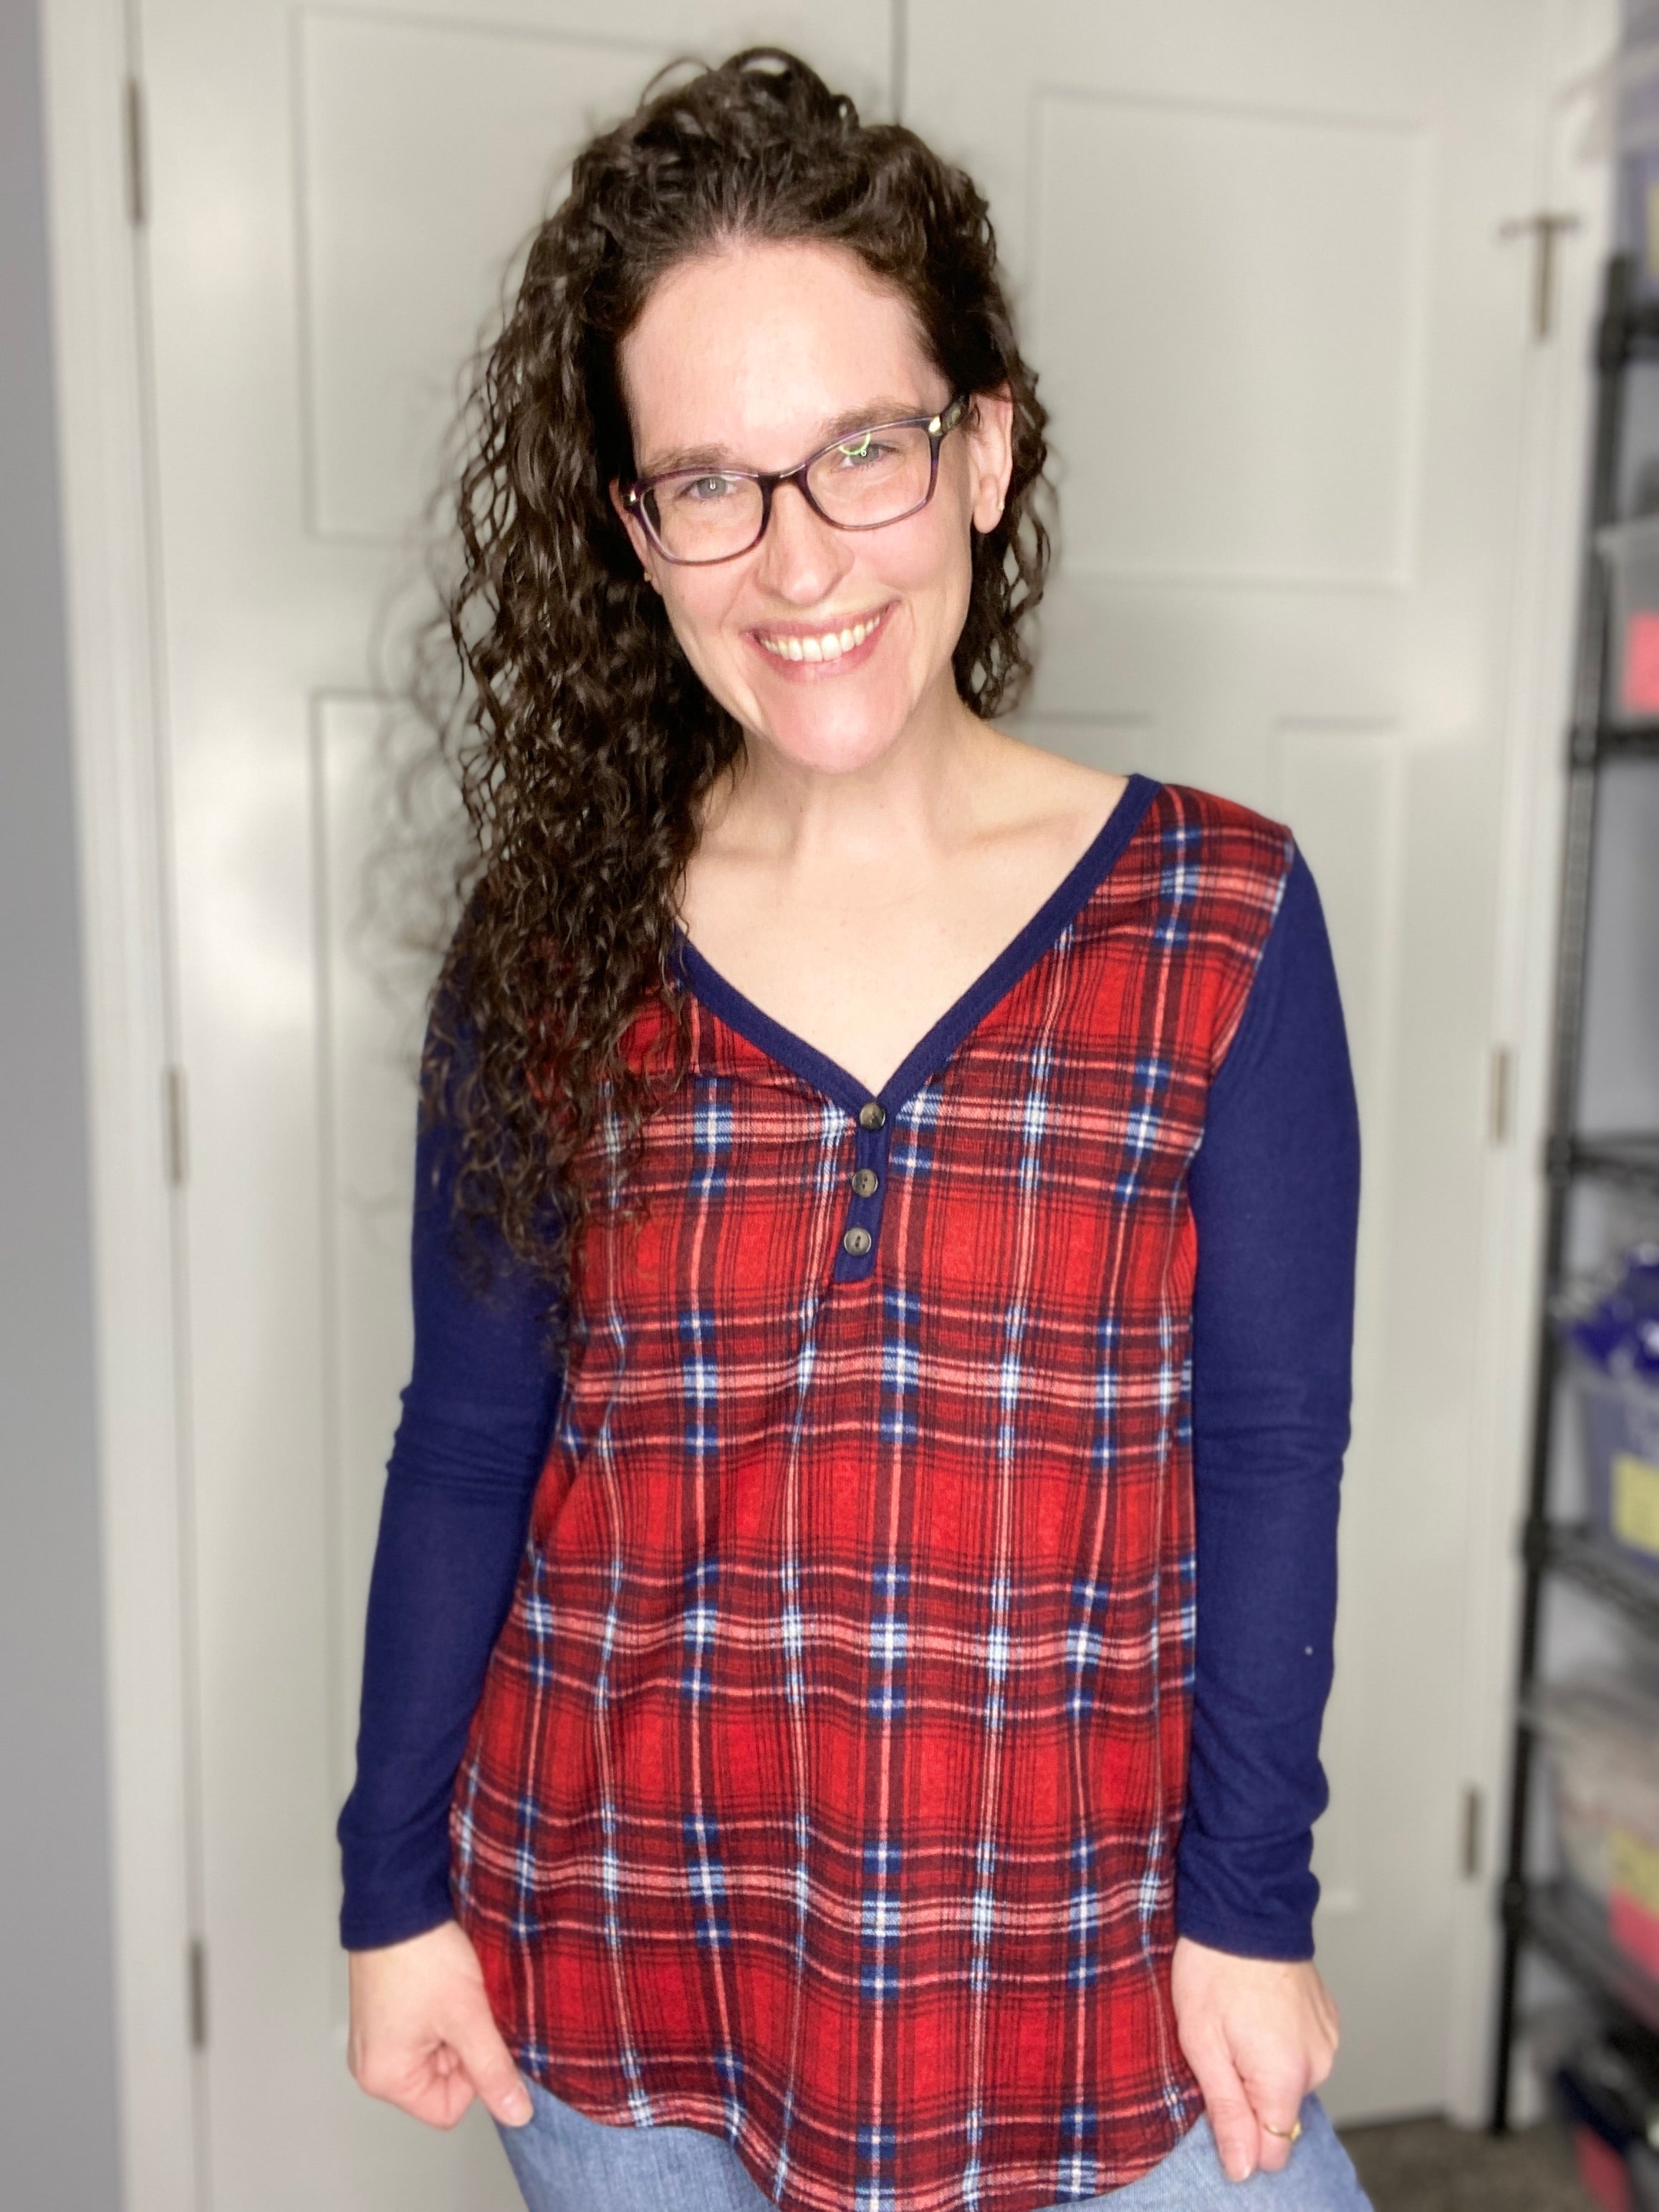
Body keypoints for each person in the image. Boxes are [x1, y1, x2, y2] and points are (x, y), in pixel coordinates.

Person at [338, 49, 1370, 2212]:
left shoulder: (1221, 917)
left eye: (862, 456)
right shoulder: (551, 952)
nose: (793, 558)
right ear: (635, 529)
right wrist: (391, 1886)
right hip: (619, 1955)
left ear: (982, 451)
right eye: (705, 482)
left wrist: (1249, 1906)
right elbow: (467, 1441)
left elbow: (1265, 1446)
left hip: (1084, 1958)